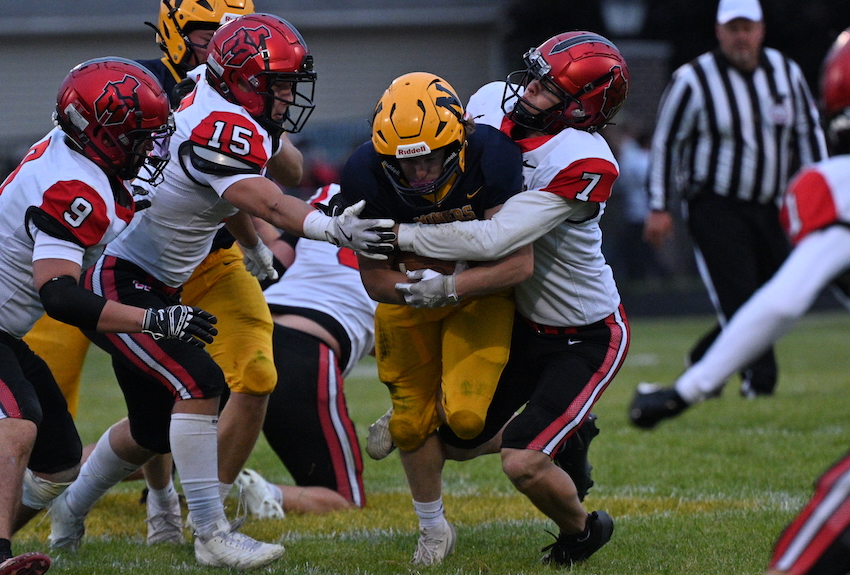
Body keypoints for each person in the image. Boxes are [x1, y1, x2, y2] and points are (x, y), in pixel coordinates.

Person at [46, 14, 394, 570]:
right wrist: (332, 229)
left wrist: (253, 248)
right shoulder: (219, 123)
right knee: (199, 382)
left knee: (152, 428)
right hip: (121, 273)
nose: (287, 95)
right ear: (244, 80)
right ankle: (209, 531)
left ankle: (71, 508)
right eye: (278, 83)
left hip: (168, 270)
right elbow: (268, 198)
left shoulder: (213, 96)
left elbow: (223, 196)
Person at [23, 0, 304, 547]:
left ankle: (206, 508)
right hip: (114, 262)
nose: (223, 42)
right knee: (69, 406)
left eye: (237, 35)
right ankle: (167, 507)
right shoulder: (138, 89)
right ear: (175, 34)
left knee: (245, 375)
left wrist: (264, 108)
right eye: (211, 33)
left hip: (209, 258)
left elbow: (245, 181)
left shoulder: (245, 91)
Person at [373, 31, 631, 566]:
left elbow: (496, 239)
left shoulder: (583, 158)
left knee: (521, 462)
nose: (529, 89)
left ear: (583, 109)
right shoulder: (489, 100)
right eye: (534, 75)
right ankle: (566, 430)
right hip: (521, 317)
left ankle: (583, 530)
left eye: (548, 87)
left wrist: (395, 236)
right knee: (455, 440)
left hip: (583, 332)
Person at [630, 30, 850, 575]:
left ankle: (722, 366)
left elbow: (783, 303)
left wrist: (686, 392)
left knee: (809, 550)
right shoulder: (697, 81)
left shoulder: (838, 184)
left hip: (765, 212)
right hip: (721, 207)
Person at [340, 71, 534, 565]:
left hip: (478, 295)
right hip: (410, 297)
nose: (421, 173)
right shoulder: (364, 172)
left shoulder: (493, 156)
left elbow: (516, 264)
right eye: (407, 164)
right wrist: (417, 290)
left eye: (430, 158)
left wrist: (449, 284)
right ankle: (433, 529)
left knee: (465, 422)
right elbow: (375, 279)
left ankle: (553, 427)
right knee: (409, 427)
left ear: (459, 140)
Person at [0, 57, 184, 575]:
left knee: (59, 460)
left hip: (5, 327)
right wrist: (152, 321)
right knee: (18, 422)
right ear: (99, 135)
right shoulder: (75, 186)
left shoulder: (77, 154)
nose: (148, 149)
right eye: (137, 137)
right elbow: (59, 294)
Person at [641, 0, 828, 398]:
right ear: (719, 31)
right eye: (734, 28)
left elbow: (807, 133)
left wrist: (826, 194)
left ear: (761, 29)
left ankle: (703, 359)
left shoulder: (785, 72)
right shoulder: (693, 79)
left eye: (748, 28)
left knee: (780, 296)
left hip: (772, 206)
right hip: (716, 205)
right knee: (740, 299)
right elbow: (666, 143)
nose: (741, 37)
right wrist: (659, 206)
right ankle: (758, 385)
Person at [235, 183, 376, 516]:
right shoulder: (432, 219)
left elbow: (279, 257)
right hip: (307, 349)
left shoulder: (331, 193)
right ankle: (262, 492)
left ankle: (100, 470)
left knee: (152, 435)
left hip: (249, 332)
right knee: (343, 502)